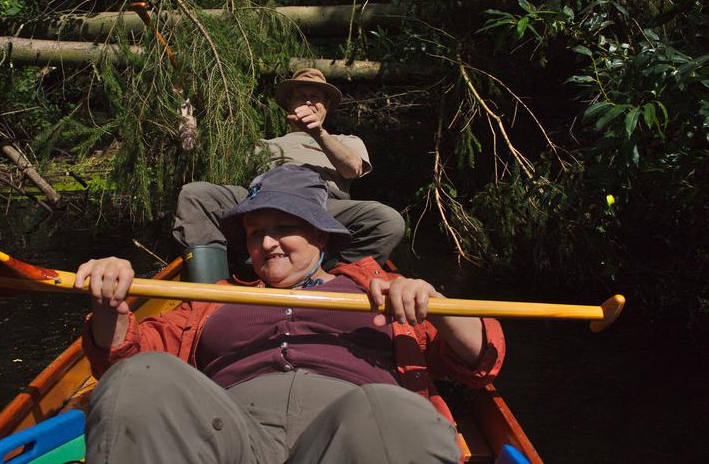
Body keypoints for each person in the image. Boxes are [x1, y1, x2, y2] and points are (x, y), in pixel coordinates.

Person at [77, 165, 505, 463]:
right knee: (140, 376)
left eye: (283, 228)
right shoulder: (214, 298)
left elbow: (478, 361)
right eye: (255, 233)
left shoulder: (378, 290)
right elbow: (122, 359)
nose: (267, 244)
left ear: (320, 235)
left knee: (392, 409)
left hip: (356, 440)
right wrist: (108, 304)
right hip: (232, 438)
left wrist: (438, 304)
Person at [173, 67, 406, 282]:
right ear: (288, 104)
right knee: (196, 194)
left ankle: (330, 282)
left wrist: (319, 134)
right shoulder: (263, 144)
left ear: (325, 107)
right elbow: (201, 152)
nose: (308, 101)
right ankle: (209, 296)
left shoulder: (346, 141)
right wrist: (185, 110)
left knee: (388, 221)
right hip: (263, 198)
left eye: (315, 97)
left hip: (322, 204)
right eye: (300, 96)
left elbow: (352, 168)